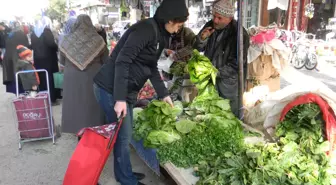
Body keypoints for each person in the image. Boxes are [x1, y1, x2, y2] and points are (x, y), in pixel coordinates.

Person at [93, 0, 189, 184]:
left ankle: (124, 173)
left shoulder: (160, 34)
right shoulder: (145, 30)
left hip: (125, 90)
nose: (178, 29)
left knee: (124, 135)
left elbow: (151, 66)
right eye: (178, 25)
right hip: (109, 88)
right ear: (169, 20)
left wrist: (163, 94)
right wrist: (119, 98)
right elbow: (122, 61)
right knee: (123, 136)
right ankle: (126, 179)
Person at [194, 0, 250, 117]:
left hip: (229, 83)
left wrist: (215, 72)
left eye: (219, 18)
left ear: (229, 18)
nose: (215, 20)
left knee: (229, 115)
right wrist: (202, 39)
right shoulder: (210, 25)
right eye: (214, 16)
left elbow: (236, 64)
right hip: (212, 79)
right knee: (212, 112)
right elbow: (197, 47)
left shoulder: (239, 34)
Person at [59, 14, 108, 135]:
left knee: (75, 103)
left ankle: (77, 130)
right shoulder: (98, 39)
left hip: (72, 77)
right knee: (93, 104)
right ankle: (94, 130)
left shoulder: (66, 40)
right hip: (93, 76)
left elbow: (61, 61)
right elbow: (106, 60)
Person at [31, 16, 60, 104]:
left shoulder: (33, 32)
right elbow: (51, 44)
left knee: (42, 77)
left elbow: (32, 45)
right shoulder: (46, 31)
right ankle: (52, 98)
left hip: (38, 59)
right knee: (50, 78)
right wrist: (57, 47)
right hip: (49, 59)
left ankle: (44, 97)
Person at [2, 22, 29, 94]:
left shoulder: (10, 34)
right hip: (17, 58)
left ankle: (17, 93)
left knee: (13, 77)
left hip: (8, 58)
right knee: (20, 76)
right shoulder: (21, 34)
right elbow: (26, 47)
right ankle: (23, 92)